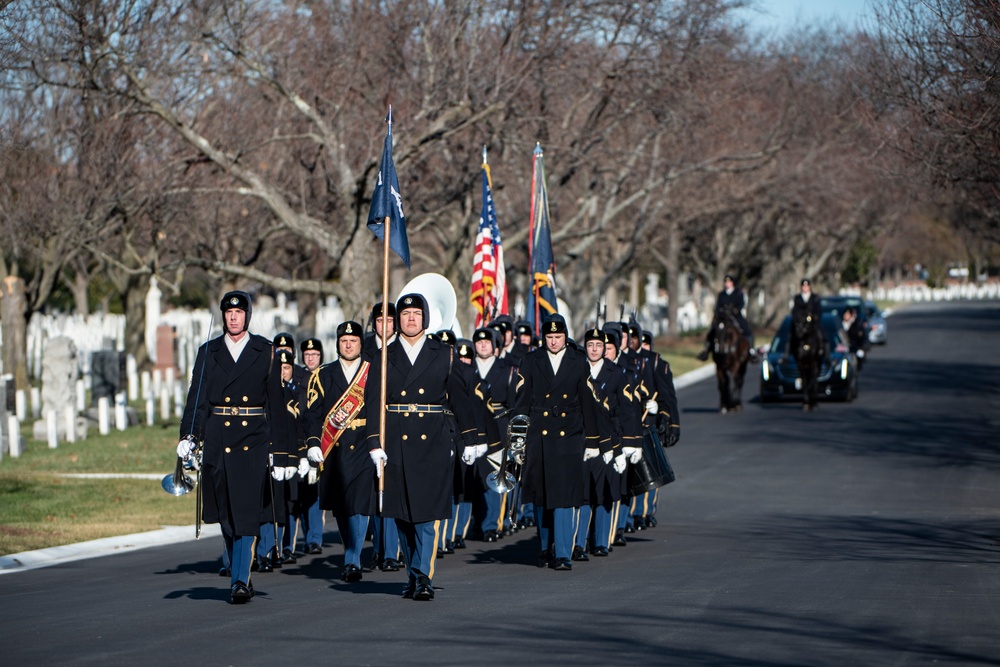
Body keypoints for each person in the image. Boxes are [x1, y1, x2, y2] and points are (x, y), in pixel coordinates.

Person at [176, 291, 289, 604]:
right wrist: (189, 436)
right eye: (228, 313)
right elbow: (197, 398)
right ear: (223, 316)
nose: (234, 317)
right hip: (218, 438)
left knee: (246, 513)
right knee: (225, 513)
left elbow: (276, 405)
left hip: (252, 439)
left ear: (247, 315)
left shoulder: (265, 351)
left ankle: (240, 579)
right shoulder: (208, 351)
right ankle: (238, 565)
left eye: (239, 313)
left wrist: (280, 453)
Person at [364, 293, 479, 601]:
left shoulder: (445, 354)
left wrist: (469, 438)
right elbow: (373, 402)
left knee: (426, 515)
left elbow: (460, 399)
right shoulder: (383, 356)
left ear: (425, 318)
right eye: (405, 314)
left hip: (433, 440)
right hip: (396, 441)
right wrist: (374, 442)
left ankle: (423, 576)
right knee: (402, 514)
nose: (411, 318)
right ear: (397, 320)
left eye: (416, 313)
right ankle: (413, 573)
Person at [512, 313, 601, 571]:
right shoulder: (530, 360)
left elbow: (588, 400)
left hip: (569, 434)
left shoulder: (578, 360)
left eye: (558, 337)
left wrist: (593, 440)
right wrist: (518, 437)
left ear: (565, 336)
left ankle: (563, 553)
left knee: (563, 495)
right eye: (549, 337)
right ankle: (544, 547)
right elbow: (522, 400)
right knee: (542, 495)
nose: (553, 342)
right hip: (538, 433)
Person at [303, 321, 375, 583]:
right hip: (335, 448)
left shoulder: (373, 372)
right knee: (342, 507)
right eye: (344, 340)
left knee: (360, 504)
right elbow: (312, 413)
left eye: (353, 340)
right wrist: (312, 443)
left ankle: (353, 558)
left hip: (366, 443)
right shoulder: (322, 374)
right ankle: (351, 550)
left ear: (360, 344)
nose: (348, 344)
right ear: (337, 344)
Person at [362, 302, 402, 573]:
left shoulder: (402, 350)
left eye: (389, 321)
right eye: (379, 321)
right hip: (366, 427)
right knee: (371, 490)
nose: (384, 326)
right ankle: (377, 547)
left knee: (390, 489)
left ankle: (391, 551)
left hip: (396, 427)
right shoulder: (364, 348)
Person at [698, 274, 755, 361]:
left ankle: (751, 351)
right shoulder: (721, 294)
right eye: (726, 282)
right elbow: (717, 307)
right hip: (723, 317)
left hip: (735, 316)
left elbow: (741, 304)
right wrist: (719, 313)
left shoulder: (738, 293)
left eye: (729, 282)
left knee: (748, 331)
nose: (727, 284)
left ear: (732, 283)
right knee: (712, 331)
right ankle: (706, 350)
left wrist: (735, 310)